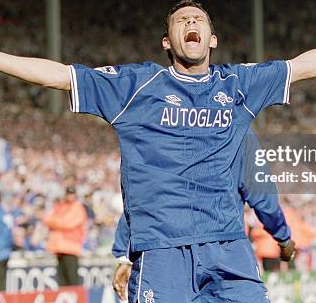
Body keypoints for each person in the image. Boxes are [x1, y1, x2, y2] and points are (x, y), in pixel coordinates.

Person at [0, 0, 316, 302]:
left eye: (199, 20)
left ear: (212, 38)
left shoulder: (239, 86)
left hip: (228, 249)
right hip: (161, 254)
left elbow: (303, 67)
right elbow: (61, 75)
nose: (191, 24)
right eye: (182, 21)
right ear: (169, 41)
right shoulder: (135, 87)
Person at [111, 129, 295, 300]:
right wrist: (283, 237)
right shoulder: (236, 124)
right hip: (225, 247)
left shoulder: (159, 125)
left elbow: (142, 194)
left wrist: (124, 254)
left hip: (165, 249)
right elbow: (262, 194)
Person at [42, 186, 87, 287]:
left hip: (71, 248)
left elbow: (68, 223)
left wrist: (55, 222)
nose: (70, 196)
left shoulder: (78, 208)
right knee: (62, 282)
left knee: (72, 280)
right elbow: (46, 219)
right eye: (68, 193)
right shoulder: (61, 206)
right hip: (59, 248)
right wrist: (57, 222)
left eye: (72, 193)